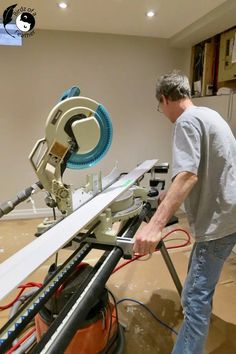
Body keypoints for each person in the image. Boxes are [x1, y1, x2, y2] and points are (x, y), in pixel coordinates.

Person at [133, 71, 236, 354]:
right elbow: (208, 168)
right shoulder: (209, 115)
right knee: (199, 286)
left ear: (165, 99)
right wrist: (169, 195)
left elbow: (188, 175)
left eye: (160, 106)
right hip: (229, 215)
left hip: (218, 223)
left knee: (194, 298)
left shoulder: (185, 122)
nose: (162, 112)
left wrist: (155, 225)